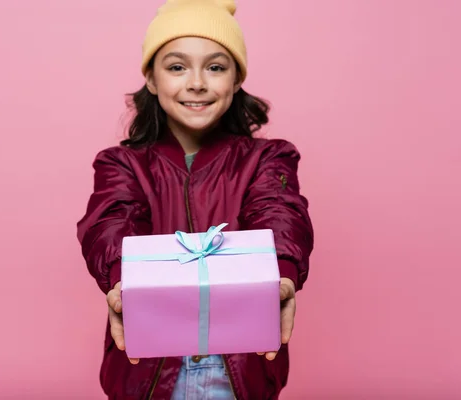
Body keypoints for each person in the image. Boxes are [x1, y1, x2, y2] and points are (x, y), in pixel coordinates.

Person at [76, 0, 314, 398]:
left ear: (237, 79)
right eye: (176, 66)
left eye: (216, 67)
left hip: (238, 368)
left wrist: (283, 274)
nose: (197, 83)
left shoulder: (268, 158)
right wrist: (122, 283)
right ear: (151, 79)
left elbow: (280, 215)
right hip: (148, 371)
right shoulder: (121, 164)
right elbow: (112, 224)